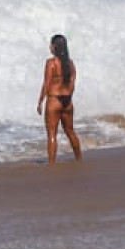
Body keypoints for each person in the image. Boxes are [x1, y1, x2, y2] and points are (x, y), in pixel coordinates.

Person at [36, 33, 82, 163]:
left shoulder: (51, 63)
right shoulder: (70, 64)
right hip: (67, 101)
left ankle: (51, 164)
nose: (49, 47)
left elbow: (46, 84)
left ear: (54, 47)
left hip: (54, 101)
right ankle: (79, 159)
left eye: (51, 44)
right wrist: (68, 98)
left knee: (52, 134)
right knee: (70, 131)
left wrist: (40, 102)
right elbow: (72, 85)